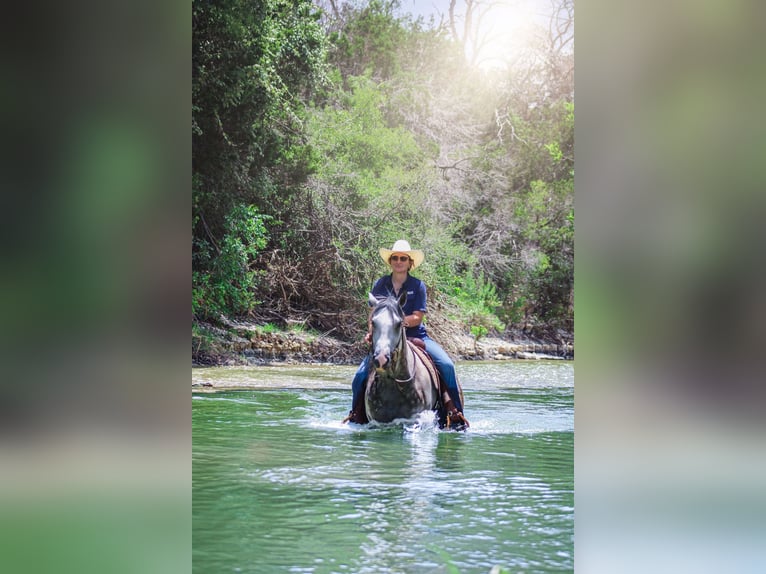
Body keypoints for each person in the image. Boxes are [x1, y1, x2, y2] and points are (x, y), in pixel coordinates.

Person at [343, 239, 466, 424]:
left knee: (447, 365)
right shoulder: (380, 285)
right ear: (390, 261)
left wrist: (395, 323)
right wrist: (375, 331)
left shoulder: (418, 286)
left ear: (410, 263)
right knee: (359, 376)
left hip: (416, 336)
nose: (398, 261)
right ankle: (356, 414)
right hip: (384, 338)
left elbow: (417, 317)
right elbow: (373, 316)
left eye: (403, 258)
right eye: (395, 258)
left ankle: (454, 412)